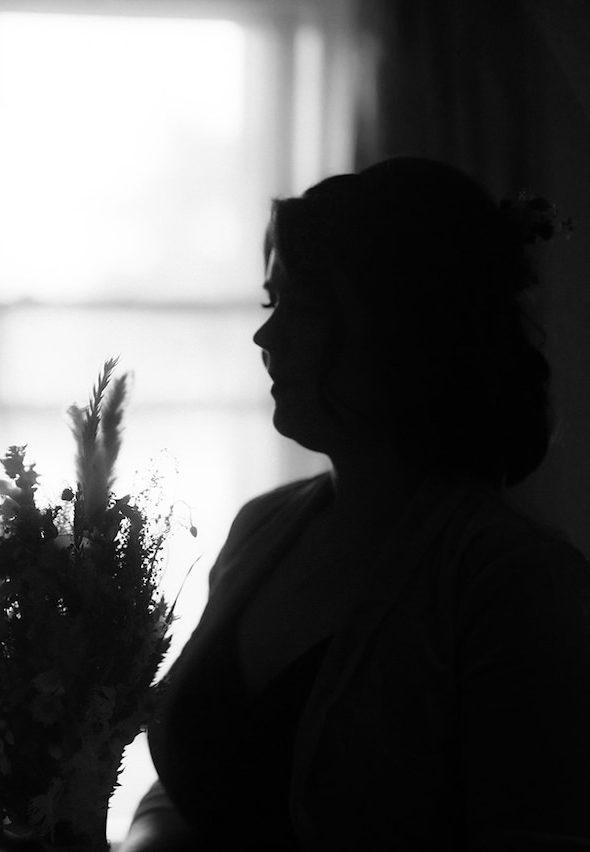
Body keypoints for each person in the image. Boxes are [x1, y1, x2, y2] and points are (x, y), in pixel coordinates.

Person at [118, 157, 590, 850]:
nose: (266, 337)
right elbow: (200, 775)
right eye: (271, 303)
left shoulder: (513, 582)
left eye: (305, 307)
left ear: (405, 326)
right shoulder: (263, 529)